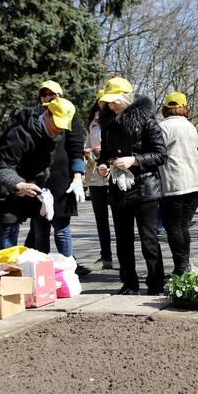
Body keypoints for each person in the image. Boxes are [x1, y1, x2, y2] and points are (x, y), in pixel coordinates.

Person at [0, 97, 76, 267]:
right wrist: (19, 183)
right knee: (8, 225)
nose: (58, 129)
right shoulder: (20, 133)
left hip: (15, 183)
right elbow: (1, 167)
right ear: (47, 114)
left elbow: (44, 164)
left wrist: (38, 182)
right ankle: (2, 275)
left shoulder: (54, 133)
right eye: (57, 123)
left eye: (63, 126)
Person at [95, 77, 166, 294]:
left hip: (145, 188)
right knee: (123, 241)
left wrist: (134, 160)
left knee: (148, 240)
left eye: (115, 100)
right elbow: (105, 156)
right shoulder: (107, 125)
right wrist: (102, 167)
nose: (112, 105)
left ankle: (155, 282)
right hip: (119, 189)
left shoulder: (147, 121)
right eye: (108, 101)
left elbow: (161, 154)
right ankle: (129, 282)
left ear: (127, 98)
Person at [20, 81, 91, 277]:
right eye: (44, 93)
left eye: (52, 93)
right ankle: (43, 272)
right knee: (39, 231)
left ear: (60, 95)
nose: (47, 96)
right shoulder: (33, 117)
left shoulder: (69, 114)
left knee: (61, 229)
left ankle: (67, 269)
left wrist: (78, 176)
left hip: (62, 181)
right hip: (37, 181)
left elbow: (76, 148)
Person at [158, 92, 198, 276]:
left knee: (173, 227)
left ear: (165, 108)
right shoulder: (191, 127)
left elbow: (158, 153)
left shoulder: (163, 127)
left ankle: (181, 266)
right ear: (184, 107)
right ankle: (185, 264)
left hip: (174, 183)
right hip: (194, 182)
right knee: (183, 225)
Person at [84, 91, 113, 270]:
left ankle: (125, 256)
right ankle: (106, 256)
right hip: (95, 175)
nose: (102, 105)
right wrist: (88, 150)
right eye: (100, 102)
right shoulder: (92, 122)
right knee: (100, 218)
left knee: (120, 218)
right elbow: (87, 144)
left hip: (112, 173)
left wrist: (104, 150)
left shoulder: (115, 120)